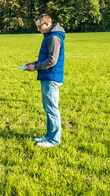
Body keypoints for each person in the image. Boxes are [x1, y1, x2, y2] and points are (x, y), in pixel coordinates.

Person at [25, 14, 65, 147]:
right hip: (48, 76)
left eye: (39, 26)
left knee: (52, 108)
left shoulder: (54, 37)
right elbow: (46, 58)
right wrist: (34, 63)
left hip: (51, 77)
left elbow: (52, 60)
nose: (38, 29)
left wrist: (35, 67)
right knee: (48, 108)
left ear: (47, 24)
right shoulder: (50, 36)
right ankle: (49, 135)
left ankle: (54, 140)